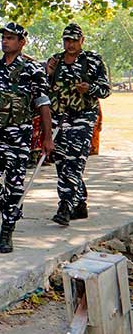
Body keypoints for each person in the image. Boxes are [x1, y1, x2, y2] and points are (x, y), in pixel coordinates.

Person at [0, 22, 53, 253]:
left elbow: (43, 104)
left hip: (18, 135)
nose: (5, 41)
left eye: (10, 38)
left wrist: (47, 138)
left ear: (21, 42)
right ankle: (7, 205)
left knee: (14, 185)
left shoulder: (32, 69)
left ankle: (7, 230)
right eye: (4, 37)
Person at [46, 23, 111, 225]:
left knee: (74, 162)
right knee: (62, 163)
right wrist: (47, 73)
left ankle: (65, 205)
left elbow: (105, 90)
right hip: (59, 118)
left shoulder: (92, 61)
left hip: (82, 118)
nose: (70, 44)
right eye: (67, 40)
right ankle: (80, 203)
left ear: (82, 41)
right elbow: (44, 88)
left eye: (74, 40)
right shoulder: (56, 60)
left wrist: (89, 88)